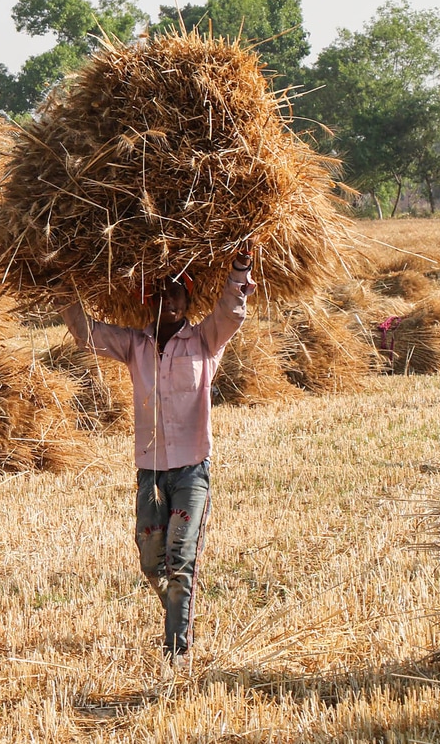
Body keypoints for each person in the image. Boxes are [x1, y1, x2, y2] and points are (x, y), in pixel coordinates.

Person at [57, 243, 255, 662]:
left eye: (177, 294)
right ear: (151, 300)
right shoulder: (135, 346)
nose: (170, 301)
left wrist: (240, 267)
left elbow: (232, 311)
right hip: (149, 472)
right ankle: (180, 616)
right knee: (152, 563)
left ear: (188, 300)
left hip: (191, 471)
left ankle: (177, 649)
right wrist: (61, 283)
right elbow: (85, 332)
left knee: (181, 557)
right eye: (162, 293)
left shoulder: (205, 341)